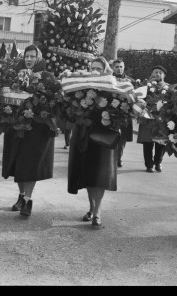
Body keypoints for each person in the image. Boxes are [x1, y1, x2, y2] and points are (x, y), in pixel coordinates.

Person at [2, 44, 56, 217]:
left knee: (31, 164)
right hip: (17, 125)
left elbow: (51, 100)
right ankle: (21, 195)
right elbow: (8, 97)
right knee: (18, 162)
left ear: (39, 58)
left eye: (33, 56)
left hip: (36, 128)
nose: (29, 59)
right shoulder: (16, 75)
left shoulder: (47, 77)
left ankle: (28, 199)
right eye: (27, 56)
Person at [67, 56, 117, 228]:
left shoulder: (111, 88)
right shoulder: (83, 86)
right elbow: (72, 109)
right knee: (88, 173)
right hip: (84, 134)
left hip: (103, 135)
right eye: (93, 68)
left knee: (101, 175)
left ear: (105, 70)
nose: (95, 71)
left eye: (99, 68)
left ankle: (97, 212)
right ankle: (91, 208)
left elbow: (117, 111)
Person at [137, 65, 168, 173]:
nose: (157, 74)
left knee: (160, 143)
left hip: (161, 120)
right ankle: (149, 164)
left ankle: (158, 162)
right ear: (151, 74)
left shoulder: (168, 88)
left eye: (160, 72)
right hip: (147, 118)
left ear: (164, 75)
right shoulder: (145, 85)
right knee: (147, 143)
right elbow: (138, 98)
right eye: (155, 72)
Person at [111, 59, 136, 167]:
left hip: (125, 113)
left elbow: (136, 97)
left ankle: (118, 158)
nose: (119, 69)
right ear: (112, 68)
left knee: (123, 138)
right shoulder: (109, 80)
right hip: (111, 111)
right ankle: (110, 157)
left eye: (121, 66)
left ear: (124, 68)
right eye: (116, 66)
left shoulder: (130, 81)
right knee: (111, 136)